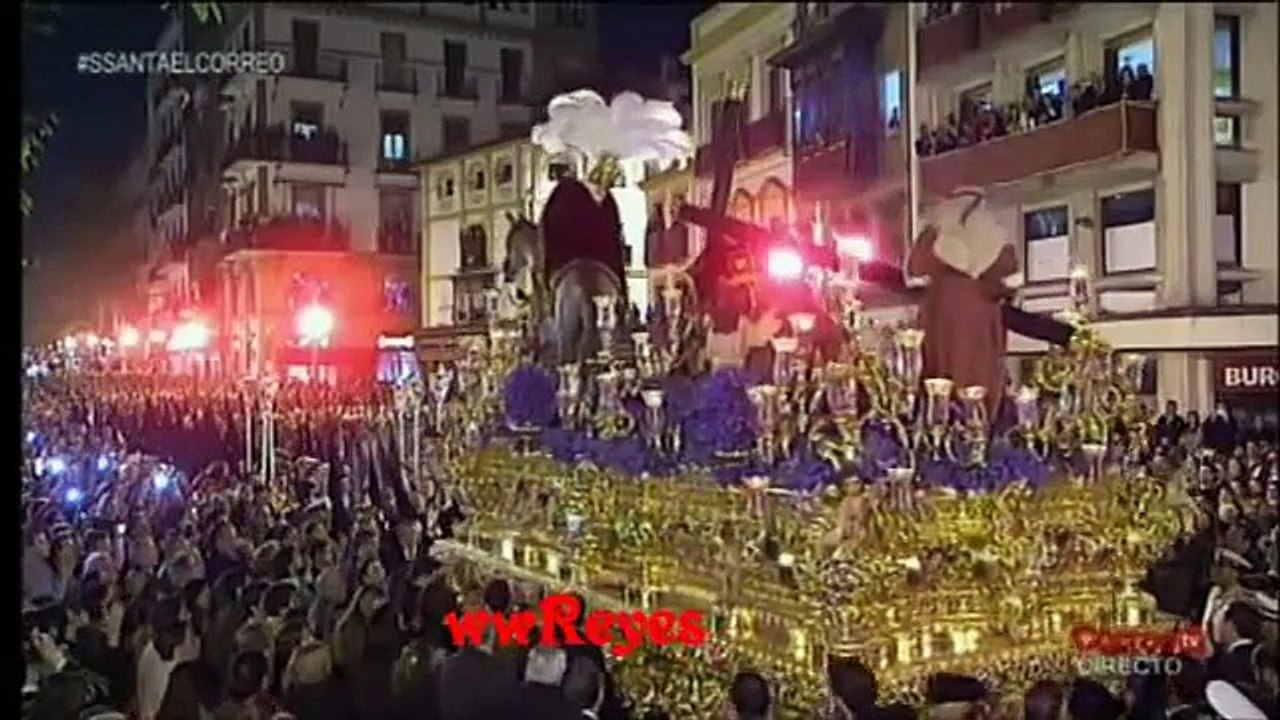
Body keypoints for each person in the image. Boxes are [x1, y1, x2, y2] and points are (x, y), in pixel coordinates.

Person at [907, 187, 1020, 417]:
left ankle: (943, 424)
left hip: (943, 316)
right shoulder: (995, 237)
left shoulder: (935, 235)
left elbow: (914, 269)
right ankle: (977, 422)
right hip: (981, 320)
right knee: (979, 375)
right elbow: (1010, 280)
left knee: (943, 372)